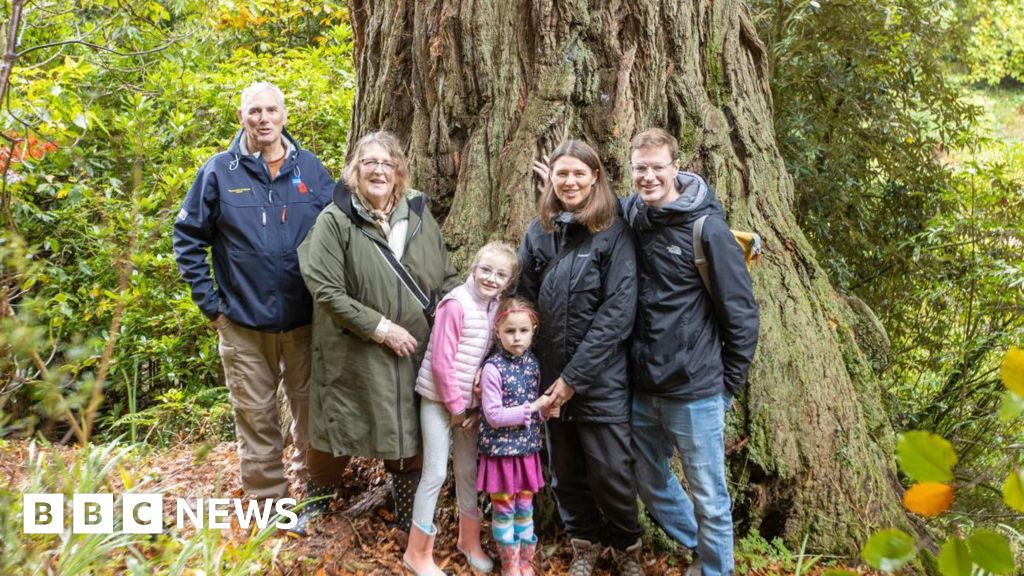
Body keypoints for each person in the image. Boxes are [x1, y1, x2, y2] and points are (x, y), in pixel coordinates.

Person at [173, 81, 334, 503]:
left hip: (305, 320)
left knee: (312, 413)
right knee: (257, 418)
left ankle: (314, 497)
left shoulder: (312, 171)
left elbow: (340, 235)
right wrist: (212, 306)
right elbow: (188, 237)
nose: (263, 119)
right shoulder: (218, 171)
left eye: (271, 111)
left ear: (284, 115)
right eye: (254, 111)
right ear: (241, 117)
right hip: (242, 322)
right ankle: (269, 506)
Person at [294, 130, 460, 537]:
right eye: (369, 162)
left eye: (387, 163)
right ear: (355, 170)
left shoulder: (418, 215)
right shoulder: (335, 219)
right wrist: (381, 329)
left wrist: (452, 320)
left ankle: (407, 512)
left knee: (407, 426)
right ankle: (315, 506)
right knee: (337, 424)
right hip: (353, 345)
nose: (378, 170)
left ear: (399, 171)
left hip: (415, 347)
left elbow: (446, 273)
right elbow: (324, 287)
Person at [623, 128, 760, 576]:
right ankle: (700, 548)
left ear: (675, 168)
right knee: (650, 480)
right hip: (644, 387)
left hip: (697, 389)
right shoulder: (634, 217)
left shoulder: (708, 229)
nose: (648, 176)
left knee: (709, 493)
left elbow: (741, 316)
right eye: (640, 168)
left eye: (657, 167)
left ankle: (717, 569)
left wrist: (726, 388)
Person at [518, 139, 644, 576]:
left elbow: (617, 314)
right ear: (550, 178)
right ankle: (584, 545)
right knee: (566, 475)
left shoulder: (613, 231)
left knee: (612, 473)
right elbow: (524, 298)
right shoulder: (539, 232)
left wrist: (573, 378)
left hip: (601, 380)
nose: (569, 181)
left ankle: (627, 548)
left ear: (595, 177)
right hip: (549, 379)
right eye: (561, 173)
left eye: (578, 173)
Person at [402, 241, 519, 575]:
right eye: (486, 269)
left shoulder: (495, 307)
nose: (491, 278)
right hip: (439, 402)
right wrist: (456, 408)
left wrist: (480, 395)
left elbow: (488, 353)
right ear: (473, 268)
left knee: (468, 472)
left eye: (500, 274)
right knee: (437, 472)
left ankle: (469, 541)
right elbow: (441, 363)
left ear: (508, 281)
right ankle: (418, 552)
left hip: (469, 408)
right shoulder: (456, 304)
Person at [477, 298, 555, 576]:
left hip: (527, 453)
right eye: (510, 331)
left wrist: (546, 411)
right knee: (504, 509)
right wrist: (534, 407)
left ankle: (525, 563)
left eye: (524, 330)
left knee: (525, 507)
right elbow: (494, 416)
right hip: (500, 456)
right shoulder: (492, 368)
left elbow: (535, 409)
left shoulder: (533, 364)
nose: (517, 337)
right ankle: (510, 565)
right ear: (498, 331)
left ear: (533, 330)